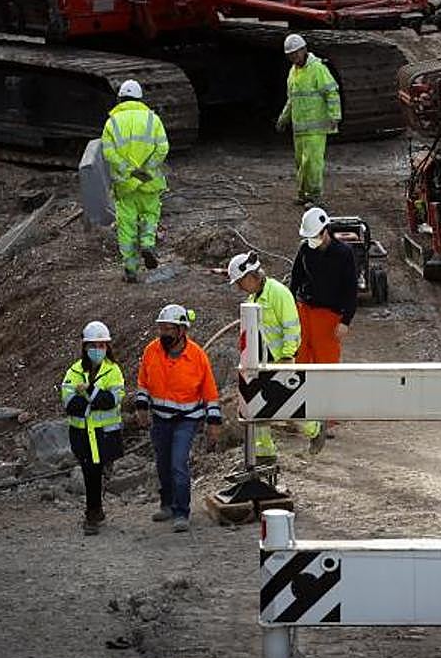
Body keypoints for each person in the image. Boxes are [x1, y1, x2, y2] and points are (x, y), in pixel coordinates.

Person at [133, 304, 221, 532]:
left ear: (182, 331)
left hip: (187, 419)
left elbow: (210, 394)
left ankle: (182, 511)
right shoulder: (151, 351)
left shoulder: (197, 356)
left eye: (169, 329)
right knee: (163, 463)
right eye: (161, 329)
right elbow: (143, 382)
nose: (163, 334)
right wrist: (141, 408)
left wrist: (213, 425)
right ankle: (167, 504)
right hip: (160, 419)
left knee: (178, 463)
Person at [290, 206, 358, 453]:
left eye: (317, 236)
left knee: (326, 365)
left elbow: (351, 290)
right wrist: (290, 309)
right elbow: (295, 279)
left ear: (326, 231)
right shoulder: (305, 250)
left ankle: (326, 419)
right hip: (304, 311)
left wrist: (345, 321)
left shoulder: (344, 254)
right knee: (300, 360)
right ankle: (300, 414)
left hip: (329, 316)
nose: (314, 241)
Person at [228, 251, 300, 462]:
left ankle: (314, 427)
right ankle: (264, 449)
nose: (239, 287)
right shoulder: (254, 298)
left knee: (288, 403)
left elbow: (292, 327)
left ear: (251, 276)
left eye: (240, 282)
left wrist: (288, 356)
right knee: (259, 403)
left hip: (281, 359)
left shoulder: (278, 293)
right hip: (262, 361)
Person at [58, 320, 125, 535]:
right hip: (81, 434)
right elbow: (70, 403)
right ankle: (93, 513)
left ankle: (94, 510)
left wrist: (88, 392)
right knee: (90, 472)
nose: (98, 350)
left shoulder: (113, 371)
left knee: (96, 472)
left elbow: (111, 400)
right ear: (85, 347)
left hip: (104, 434)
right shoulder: (74, 371)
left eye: (102, 345)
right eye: (93, 345)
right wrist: (93, 399)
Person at [100, 79, 170, 283]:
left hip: (125, 185)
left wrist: (128, 171)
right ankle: (148, 243)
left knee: (127, 226)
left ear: (120, 98)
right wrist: (146, 170)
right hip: (149, 182)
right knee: (150, 215)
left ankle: (130, 270)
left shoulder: (112, 122)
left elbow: (108, 152)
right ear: (141, 98)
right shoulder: (152, 120)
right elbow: (163, 148)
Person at [276, 34, 341, 206]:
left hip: (316, 128)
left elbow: (332, 92)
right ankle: (303, 194)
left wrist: (335, 115)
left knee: (313, 164)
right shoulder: (293, 71)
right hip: (300, 128)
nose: (293, 57)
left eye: (296, 53)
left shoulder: (318, 68)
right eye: (290, 55)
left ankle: (315, 197)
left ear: (304, 50)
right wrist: (284, 118)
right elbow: (292, 99)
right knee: (301, 164)